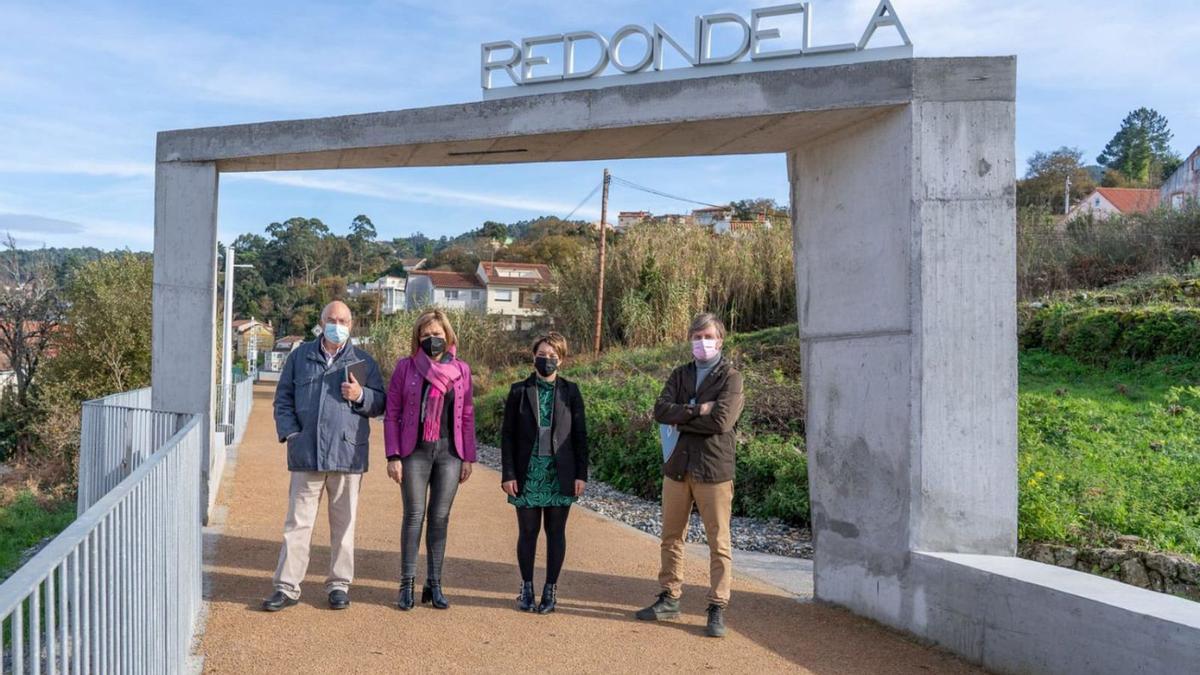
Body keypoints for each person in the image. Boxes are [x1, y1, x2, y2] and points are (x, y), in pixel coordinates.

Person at [264, 300, 386, 612]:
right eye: (332, 319)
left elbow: (381, 403)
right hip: (307, 452)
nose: (337, 324)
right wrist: (291, 433)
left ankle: (339, 584)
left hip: (348, 454)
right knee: (298, 524)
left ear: (352, 324)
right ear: (321, 322)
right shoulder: (300, 356)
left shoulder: (363, 361)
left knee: (344, 525)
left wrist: (361, 396)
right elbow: (283, 399)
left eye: (343, 320)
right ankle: (287, 587)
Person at [636, 313, 745, 637]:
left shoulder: (731, 378)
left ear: (720, 340)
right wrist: (699, 409)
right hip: (678, 467)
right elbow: (660, 410)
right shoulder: (680, 374)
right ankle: (670, 597)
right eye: (696, 337)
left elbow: (721, 422)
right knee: (671, 536)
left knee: (718, 542)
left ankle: (717, 606)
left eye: (707, 336)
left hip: (714, 469)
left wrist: (680, 416)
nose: (702, 342)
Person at [383, 309, 477, 610]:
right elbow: (392, 414)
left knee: (440, 518)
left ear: (447, 336)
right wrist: (393, 455)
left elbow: (466, 415)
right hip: (414, 452)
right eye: (426, 336)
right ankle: (406, 583)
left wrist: (468, 457)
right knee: (413, 516)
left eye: (437, 335)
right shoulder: (405, 368)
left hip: (449, 453)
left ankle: (434, 583)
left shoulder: (461, 370)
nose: (432, 340)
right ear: (417, 339)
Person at [500, 332, 588, 614]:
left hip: (559, 472)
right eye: (543, 354)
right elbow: (508, 436)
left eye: (553, 355)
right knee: (527, 532)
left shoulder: (571, 391)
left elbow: (580, 436)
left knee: (556, 532)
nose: (547, 359)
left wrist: (580, 474)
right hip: (528, 472)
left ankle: (550, 590)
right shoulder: (519, 391)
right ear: (533, 356)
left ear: (561, 359)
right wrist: (508, 474)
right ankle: (526, 588)